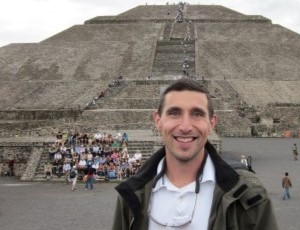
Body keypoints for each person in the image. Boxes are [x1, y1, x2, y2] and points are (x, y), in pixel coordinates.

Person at [111, 79, 278, 230]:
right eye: (174, 113)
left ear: (212, 123)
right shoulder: (130, 193)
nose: (185, 126)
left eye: (197, 114)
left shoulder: (249, 194)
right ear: (158, 121)